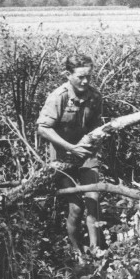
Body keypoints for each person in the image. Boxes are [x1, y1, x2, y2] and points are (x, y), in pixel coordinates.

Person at [37, 54, 104, 259]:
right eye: (80, 77)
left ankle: (96, 251)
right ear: (68, 75)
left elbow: (97, 124)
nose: (85, 81)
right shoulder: (59, 96)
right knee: (75, 208)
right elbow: (43, 128)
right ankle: (77, 254)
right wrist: (71, 148)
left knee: (93, 202)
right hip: (63, 159)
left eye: (88, 77)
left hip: (86, 156)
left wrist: (95, 141)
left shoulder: (94, 96)